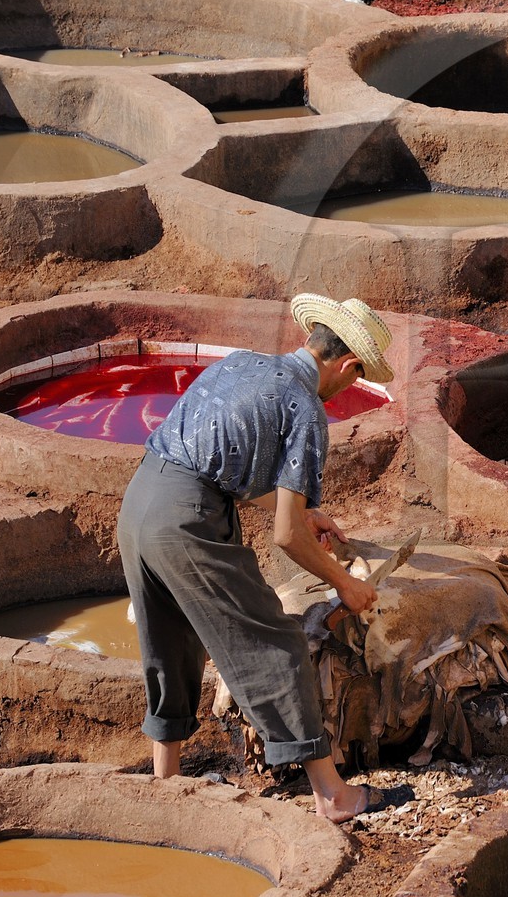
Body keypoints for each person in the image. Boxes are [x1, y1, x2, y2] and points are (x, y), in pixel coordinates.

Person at [117, 293, 393, 824]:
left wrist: (306, 513)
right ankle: (332, 795)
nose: (349, 388)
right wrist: (345, 583)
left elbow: (217, 461)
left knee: (170, 645)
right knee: (275, 641)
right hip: (188, 522)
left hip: (141, 500)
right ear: (348, 365)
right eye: (356, 377)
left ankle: (164, 786)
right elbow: (287, 537)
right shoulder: (305, 408)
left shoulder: (242, 363)